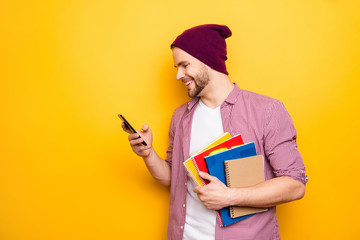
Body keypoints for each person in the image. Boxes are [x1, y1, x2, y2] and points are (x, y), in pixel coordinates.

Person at [122, 24, 308, 240]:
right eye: (176, 67)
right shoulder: (181, 116)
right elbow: (173, 179)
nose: (178, 75)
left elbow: (295, 185)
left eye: (184, 65)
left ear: (208, 61)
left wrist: (229, 197)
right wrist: (148, 154)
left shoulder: (266, 111)